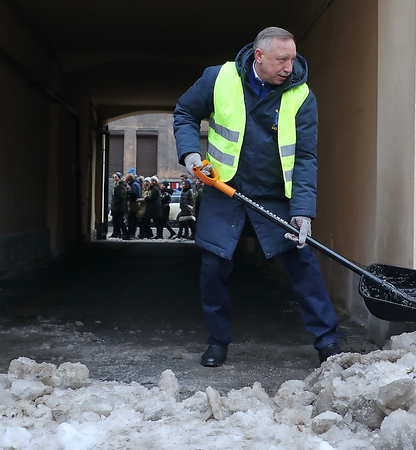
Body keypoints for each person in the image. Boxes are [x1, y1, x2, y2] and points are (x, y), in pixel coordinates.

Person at [173, 26, 341, 367]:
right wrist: (190, 153)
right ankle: (218, 341)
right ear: (259, 55)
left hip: (275, 194)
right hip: (224, 187)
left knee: (302, 263)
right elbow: (185, 114)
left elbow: (306, 158)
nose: (289, 68)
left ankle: (328, 341)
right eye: (282, 59)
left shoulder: (301, 95)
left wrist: (303, 212)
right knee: (213, 267)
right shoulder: (219, 78)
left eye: (293, 59)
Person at [110, 172, 128, 238]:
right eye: (114, 177)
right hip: (119, 206)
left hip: (119, 207)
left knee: (119, 220)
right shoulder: (119, 185)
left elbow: (120, 197)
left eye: (116, 177)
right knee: (116, 220)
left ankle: (125, 233)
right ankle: (117, 233)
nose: (114, 179)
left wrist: (114, 202)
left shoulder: (120, 186)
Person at [125, 173, 142, 239]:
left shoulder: (134, 185)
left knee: (132, 218)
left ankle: (131, 233)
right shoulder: (137, 184)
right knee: (134, 219)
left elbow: (134, 193)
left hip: (134, 203)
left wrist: (128, 191)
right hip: (135, 203)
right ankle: (132, 233)